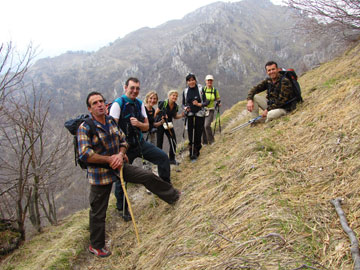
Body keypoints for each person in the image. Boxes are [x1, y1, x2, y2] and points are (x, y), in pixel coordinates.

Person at [77, 91, 180, 258]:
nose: (100, 105)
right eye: (95, 103)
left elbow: (123, 140)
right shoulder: (85, 127)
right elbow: (85, 154)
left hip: (119, 165)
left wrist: (120, 153)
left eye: (101, 101)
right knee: (98, 210)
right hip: (99, 174)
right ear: (90, 108)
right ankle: (96, 245)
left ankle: (173, 195)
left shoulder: (110, 121)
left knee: (146, 176)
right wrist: (109, 159)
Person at [109, 77, 173, 219]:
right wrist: (119, 152)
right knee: (121, 178)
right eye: (132, 88)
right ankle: (122, 208)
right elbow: (111, 130)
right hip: (124, 149)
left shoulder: (139, 104)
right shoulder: (117, 105)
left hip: (139, 143)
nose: (135, 91)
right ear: (125, 88)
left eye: (137, 88)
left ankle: (166, 187)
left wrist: (138, 124)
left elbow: (147, 126)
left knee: (162, 157)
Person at [182, 73, 209, 160]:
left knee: (198, 133)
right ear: (187, 82)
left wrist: (199, 104)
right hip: (189, 114)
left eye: (193, 80)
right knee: (190, 134)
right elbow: (183, 104)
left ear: (195, 80)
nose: (191, 82)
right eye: (189, 81)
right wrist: (185, 108)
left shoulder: (201, 89)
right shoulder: (185, 91)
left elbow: (206, 102)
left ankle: (197, 150)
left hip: (199, 113)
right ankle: (191, 153)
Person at [155, 90, 184, 165]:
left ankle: (172, 159)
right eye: (173, 95)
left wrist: (182, 115)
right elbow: (155, 113)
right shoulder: (163, 103)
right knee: (159, 142)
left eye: (176, 96)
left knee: (173, 140)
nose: (175, 97)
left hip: (169, 124)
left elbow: (175, 116)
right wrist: (153, 123)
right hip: (160, 124)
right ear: (169, 96)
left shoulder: (175, 106)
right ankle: (159, 160)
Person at [202, 75, 221, 145]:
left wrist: (218, 102)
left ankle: (211, 141)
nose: (209, 82)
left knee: (206, 125)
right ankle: (204, 142)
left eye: (211, 80)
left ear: (212, 81)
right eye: (208, 80)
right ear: (206, 81)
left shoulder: (215, 90)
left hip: (211, 110)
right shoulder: (203, 90)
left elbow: (218, 98)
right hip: (202, 110)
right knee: (202, 126)